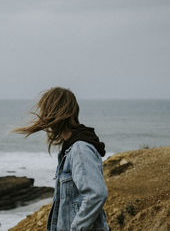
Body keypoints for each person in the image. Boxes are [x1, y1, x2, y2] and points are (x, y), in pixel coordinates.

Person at [12, 87, 110, 231]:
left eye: (45, 111)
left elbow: (96, 194)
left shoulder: (79, 149)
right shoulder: (70, 148)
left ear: (55, 112)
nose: (43, 116)